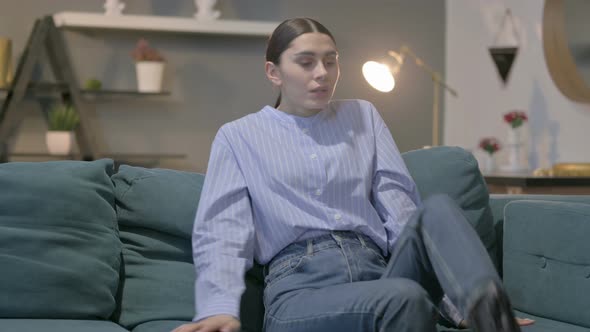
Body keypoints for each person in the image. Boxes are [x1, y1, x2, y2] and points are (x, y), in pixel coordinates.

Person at [173, 17, 531, 332]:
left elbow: (399, 208)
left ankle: (488, 312)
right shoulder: (238, 136)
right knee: (405, 297)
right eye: (306, 62)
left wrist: (454, 307)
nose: (322, 73)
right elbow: (223, 231)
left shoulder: (364, 116)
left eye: (331, 61)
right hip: (301, 289)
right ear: (274, 72)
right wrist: (218, 309)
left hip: (379, 272)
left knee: (436, 209)